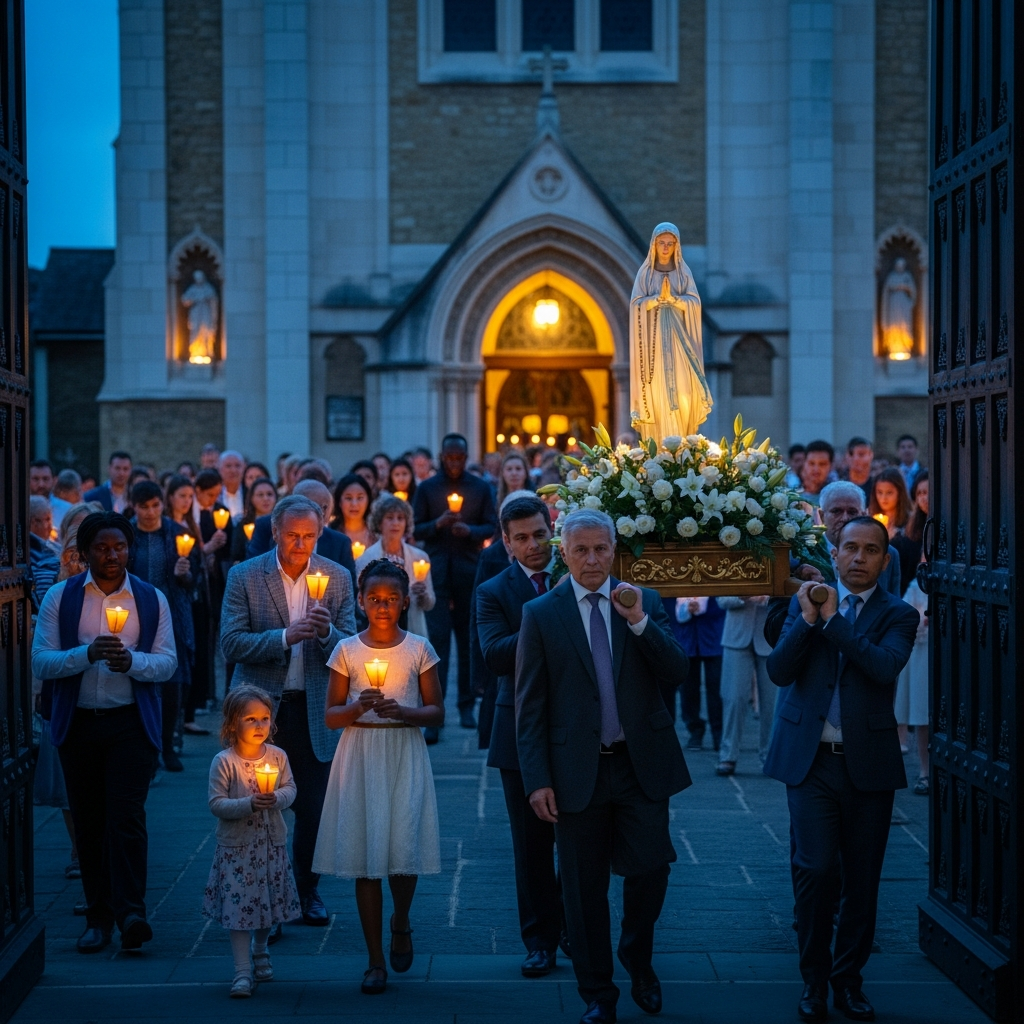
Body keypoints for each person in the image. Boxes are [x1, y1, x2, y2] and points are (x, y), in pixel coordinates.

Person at [516, 509, 691, 1024]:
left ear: (614, 551)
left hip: (640, 767)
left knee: (651, 869)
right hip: (575, 772)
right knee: (581, 885)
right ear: (563, 554)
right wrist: (537, 779)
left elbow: (676, 670)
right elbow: (530, 707)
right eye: (581, 550)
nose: (592, 560)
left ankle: (637, 955)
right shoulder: (542, 615)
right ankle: (597, 992)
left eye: (600, 549)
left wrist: (637, 620)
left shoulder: (645, 602)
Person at [764, 517, 919, 1023]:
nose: (858, 557)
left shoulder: (898, 614)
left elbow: (881, 667)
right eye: (849, 547)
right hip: (810, 762)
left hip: (867, 766)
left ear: (884, 559)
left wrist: (834, 621)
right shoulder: (804, 601)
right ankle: (813, 981)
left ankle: (848, 981)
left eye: (870, 550)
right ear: (834, 552)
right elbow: (779, 670)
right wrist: (810, 619)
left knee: (862, 879)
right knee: (813, 870)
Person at [32, 511, 178, 953]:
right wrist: (87, 653)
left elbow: (167, 662)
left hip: (130, 723)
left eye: (119, 547)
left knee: (127, 818)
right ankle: (97, 917)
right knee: (91, 822)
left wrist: (132, 662)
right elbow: (41, 660)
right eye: (102, 548)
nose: (112, 555)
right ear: (85, 552)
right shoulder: (62, 597)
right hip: (78, 724)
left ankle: (131, 911)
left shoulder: (150, 600)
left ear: (129, 549)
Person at [220, 495, 356, 928]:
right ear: (276, 531)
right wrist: (282, 637)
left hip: (314, 707)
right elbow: (231, 642)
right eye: (293, 535)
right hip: (261, 712)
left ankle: (305, 890)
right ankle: (265, 903)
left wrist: (326, 634)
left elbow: (353, 645)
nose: (301, 544)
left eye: (310, 536)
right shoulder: (245, 575)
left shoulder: (335, 577)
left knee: (314, 808)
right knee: (261, 807)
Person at [315, 559, 443, 995]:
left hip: (403, 751)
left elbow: (436, 711)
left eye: (391, 599)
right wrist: (357, 708)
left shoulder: (419, 649)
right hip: (361, 753)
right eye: (374, 599)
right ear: (360, 601)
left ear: (405, 601)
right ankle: (374, 960)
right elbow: (331, 716)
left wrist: (402, 711)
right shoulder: (347, 651)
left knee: (402, 845)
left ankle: (401, 920)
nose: (383, 606)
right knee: (367, 857)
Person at [475, 494, 567, 977]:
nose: (535, 546)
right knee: (531, 846)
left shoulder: (577, 573)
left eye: (541, 534)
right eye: (523, 539)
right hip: (517, 732)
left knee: (577, 839)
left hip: (576, 727)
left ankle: (571, 925)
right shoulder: (493, 591)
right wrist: (550, 620)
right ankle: (539, 940)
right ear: (506, 543)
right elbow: (494, 654)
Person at [203, 685, 301, 997]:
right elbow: (216, 803)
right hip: (238, 850)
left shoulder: (278, 756)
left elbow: (290, 789)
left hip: (270, 846)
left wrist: (277, 799)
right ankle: (242, 971)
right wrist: (247, 804)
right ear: (232, 723)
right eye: (250, 719)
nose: (259, 725)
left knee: (266, 906)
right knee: (239, 910)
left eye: (264, 718)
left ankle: (261, 949)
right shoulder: (224, 762)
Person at [413, 434, 498, 737]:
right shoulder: (427, 488)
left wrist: (469, 530)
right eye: (448, 457)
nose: (453, 463)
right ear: (441, 456)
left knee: (467, 639)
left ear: (465, 457)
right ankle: (435, 712)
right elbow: (416, 526)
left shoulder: (480, 488)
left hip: (468, 571)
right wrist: (438, 524)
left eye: (458, 458)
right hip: (435, 572)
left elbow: (491, 524)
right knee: (437, 642)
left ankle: (465, 705)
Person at [764, 482, 903, 649]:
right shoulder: (799, 553)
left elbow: (894, 612)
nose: (844, 518)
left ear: (865, 514)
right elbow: (775, 627)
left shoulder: (888, 554)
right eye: (836, 511)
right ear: (821, 516)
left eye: (852, 512)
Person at [127, 480, 199, 772]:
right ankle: (145, 746)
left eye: (155, 505)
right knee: (139, 680)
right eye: (144, 507)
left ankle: (167, 745)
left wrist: (183, 573)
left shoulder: (177, 533)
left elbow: (193, 582)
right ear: (134, 506)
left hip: (170, 615)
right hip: (134, 614)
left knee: (172, 682)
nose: (150, 512)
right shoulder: (126, 533)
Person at [629, 222, 712, 440]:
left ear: (676, 246)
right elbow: (636, 304)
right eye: (661, 243)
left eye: (670, 243)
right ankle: (658, 442)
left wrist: (675, 300)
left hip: (679, 343)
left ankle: (683, 441)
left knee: (683, 391)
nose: (665, 248)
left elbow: (694, 301)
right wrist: (655, 300)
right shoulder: (645, 274)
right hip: (653, 349)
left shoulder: (683, 273)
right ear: (654, 245)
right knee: (658, 395)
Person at [166, 475, 214, 734]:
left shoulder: (190, 525)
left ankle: (187, 713)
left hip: (193, 597)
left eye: (189, 496)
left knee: (194, 655)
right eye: (181, 495)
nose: (186, 501)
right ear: (170, 497)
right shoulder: (168, 527)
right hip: (175, 598)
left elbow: (195, 562)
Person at [247, 480, 357, 585]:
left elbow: (348, 589)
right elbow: (252, 572)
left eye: (309, 509)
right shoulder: (266, 527)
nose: (302, 515)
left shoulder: (339, 543)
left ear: (324, 510)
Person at [355, 494, 435, 638]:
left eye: (400, 518)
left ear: (407, 523)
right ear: (379, 523)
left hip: (414, 631)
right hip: (378, 632)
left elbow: (430, 603)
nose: (395, 523)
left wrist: (423, 596)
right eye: (390, 518)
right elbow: (360, 605)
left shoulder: (420, 557)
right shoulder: (366, 559)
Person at [716, 596, 775, 776]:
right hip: (736, 635)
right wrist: (744, 596)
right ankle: (728, 755)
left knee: (772, 704)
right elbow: (722, 600)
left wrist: (768, 597)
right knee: (733, 698)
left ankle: (770, 756)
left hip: (770, 636)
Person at [895, 560, 929, 793]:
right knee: (922, 712)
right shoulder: (918, 586)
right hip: (923, 654)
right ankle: (925, 771)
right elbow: (908, 615)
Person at [675, 595, 725, 751]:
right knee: (688, 687)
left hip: (714, 628)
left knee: (717, 686)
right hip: (685, 633)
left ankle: (719, 732)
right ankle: (695, 729)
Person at [231, 476, 278, 562]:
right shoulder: (243, 525)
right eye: (260, 495)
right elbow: (236, 555)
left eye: (269, 494)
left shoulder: (282, 524)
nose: (266, 499)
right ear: (251, 498)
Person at [29, 496, 61, 612]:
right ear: (33, 522)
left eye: (50, 519)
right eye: (47, 519)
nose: (50, 526)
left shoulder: (53, 545)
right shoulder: (39, 552)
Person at [331, 473, 376, 549]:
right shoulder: (331, 534)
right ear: (339, 502)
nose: (354, 504)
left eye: (360, 498)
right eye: (348, 498)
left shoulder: (376, 533)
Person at [799, 441, 834, 505]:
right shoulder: (792, 496)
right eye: (811, 463)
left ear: (831, 466)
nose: (816, 469)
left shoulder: (837, 498)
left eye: (822, 464)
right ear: (804, 464)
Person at [219, 451, 246, 521]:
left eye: (237, 466)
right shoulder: (215, 496)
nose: (233, 470)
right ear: (220, 469)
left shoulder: (250, 494)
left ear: (243, 469)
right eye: (228, 466)